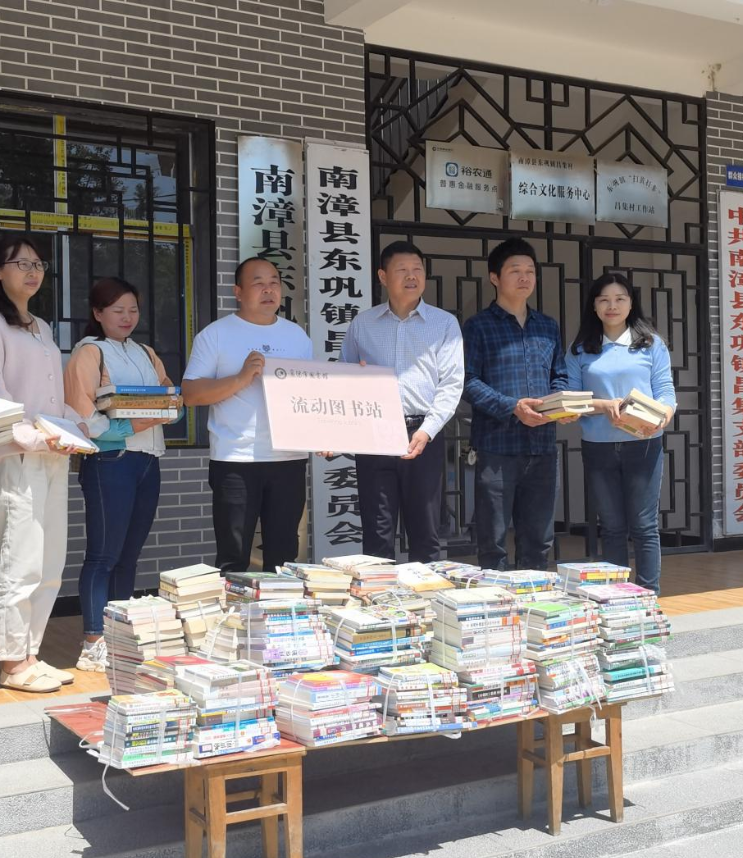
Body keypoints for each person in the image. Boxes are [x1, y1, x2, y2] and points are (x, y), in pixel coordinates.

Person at [0, 234, 86, 694]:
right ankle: (12, 663)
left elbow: (50, 399)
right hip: (16, 455)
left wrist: (77, 426)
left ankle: (32, 655)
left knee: (50, 562)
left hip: (52, 454)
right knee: (19, 561)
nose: (32, 271)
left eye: (37, 263)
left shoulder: (40, 326)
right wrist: (41, 437)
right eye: (20, 263)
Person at [64, 277, 178, 672]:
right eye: (117, 310)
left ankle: (118, 637)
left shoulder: (146, 351)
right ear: (97, 314)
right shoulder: (89, 352)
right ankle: (93, 641)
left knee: (129, 555)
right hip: (111, 461)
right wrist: (134, 425)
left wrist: (155, 412)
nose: (127, 317)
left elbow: (171, 399)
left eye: (133, 309)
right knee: (103, 555)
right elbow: (84, 419)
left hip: (149, 461)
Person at [182, 258, 313, 573]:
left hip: (288, 459)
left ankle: (280, 619)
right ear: (238, 292)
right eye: (258, 282)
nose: (268, 289)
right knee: (234, 556)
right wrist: (240, 379)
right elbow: (190, 394)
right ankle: (234, 621)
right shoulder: (215, 335)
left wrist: (320, 434)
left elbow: (309, 396)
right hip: (236, 459)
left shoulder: (297, 337)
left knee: (284, 557)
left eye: (274, 281)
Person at [340, 241, 464, 562]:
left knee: (425, 532)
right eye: (402, 270)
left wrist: (428, 430)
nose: (412, 277)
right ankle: (378, 606)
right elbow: (343, 380)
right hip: (374, 434)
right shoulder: (362, 324)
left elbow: (451, 384)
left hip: (422, 433)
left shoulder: (444, 324)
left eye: (418, 270)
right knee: (377, 532)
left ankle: (424, 606)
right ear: (383, 276)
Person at [462, 237, 569, 571]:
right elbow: (466, 382)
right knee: (492, 541)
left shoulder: (547, 327)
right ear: (495, 277)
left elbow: (560, 376)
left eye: (530, 271)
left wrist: (561, 405)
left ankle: (534, 610)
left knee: (538, 540)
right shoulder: (477, 327)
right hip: (496, 448)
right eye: (515, 271)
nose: (525, 278)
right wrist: (512, 406)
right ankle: (495, 615)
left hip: (542, 447)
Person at [566, 272, 676, 593]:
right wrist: (603, 405)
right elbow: (572, 402)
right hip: (598, 448)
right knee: (612, 528)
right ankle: (617, 599)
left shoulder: (651, 345)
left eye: (620, 299)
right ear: (595, 307)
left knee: (644, 527)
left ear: (631, 304)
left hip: (644, 446)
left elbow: (665, 391)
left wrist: (664, 415)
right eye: (604, 300)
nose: (612, 306)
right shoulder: (580, 350)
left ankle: (648, 598)